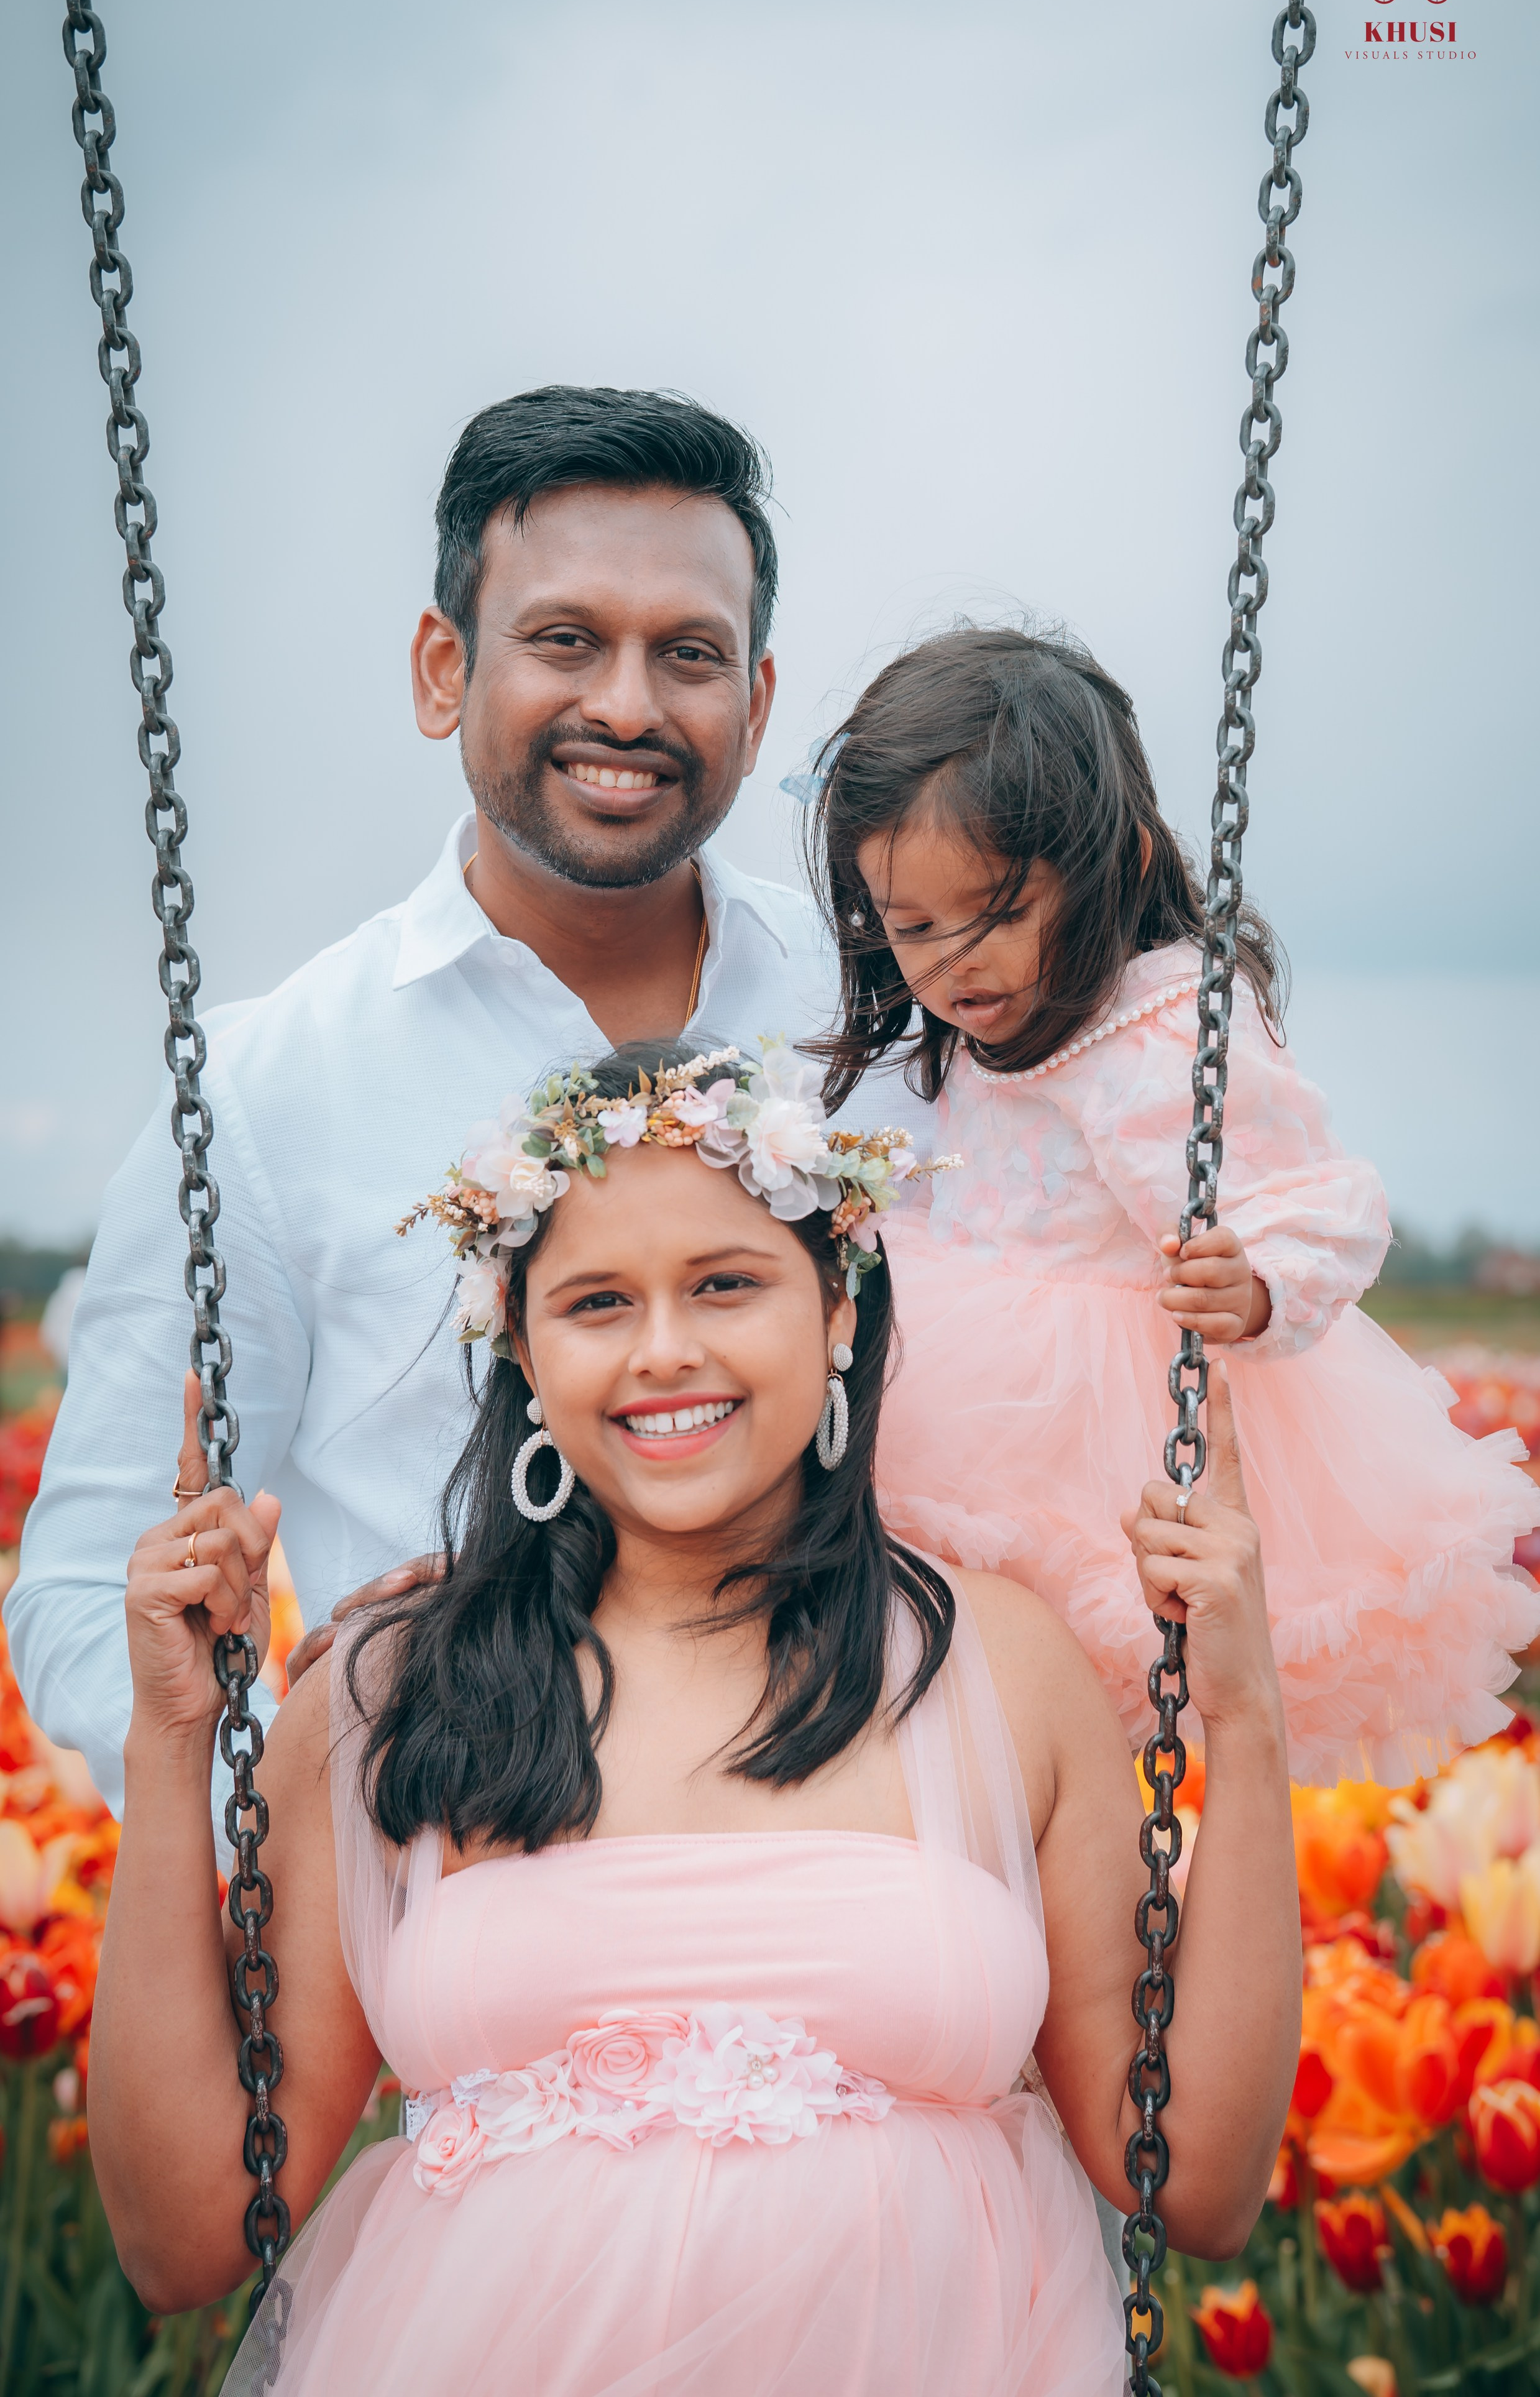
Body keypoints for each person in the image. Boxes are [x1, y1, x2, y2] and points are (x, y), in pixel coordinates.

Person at [91, 1038, 1299, 2397]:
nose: (667, 1351)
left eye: (728, 1282)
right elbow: (186, 2238)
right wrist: (173, 1733)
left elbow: (1193, 2185)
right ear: (525, 1346)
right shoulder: (392, 1691)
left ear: (838, 1304)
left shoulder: (998, 1669)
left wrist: (1245, 1722)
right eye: (598, 1300)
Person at [10, 386, 928, 1818]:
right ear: (444, 668)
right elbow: (80, 1592)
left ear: (752, 702)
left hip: (881, 1886)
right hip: (462, 1909)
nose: (626, 703)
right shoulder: (266, 1090)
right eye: (565, 640)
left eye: (687, 653)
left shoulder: (890, 1015)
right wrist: (326, 1820)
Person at [809, 625, 1539, 1787]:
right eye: (912, 927)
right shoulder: (947, 1043)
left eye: (995, 913)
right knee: (954, 1690)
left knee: (1093, 1702)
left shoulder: (1161, 1029)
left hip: (1114, 1436)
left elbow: (1324, 1198)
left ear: (1111, 865)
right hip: (954, 1409)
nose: (952, 963)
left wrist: (1255, 1282)